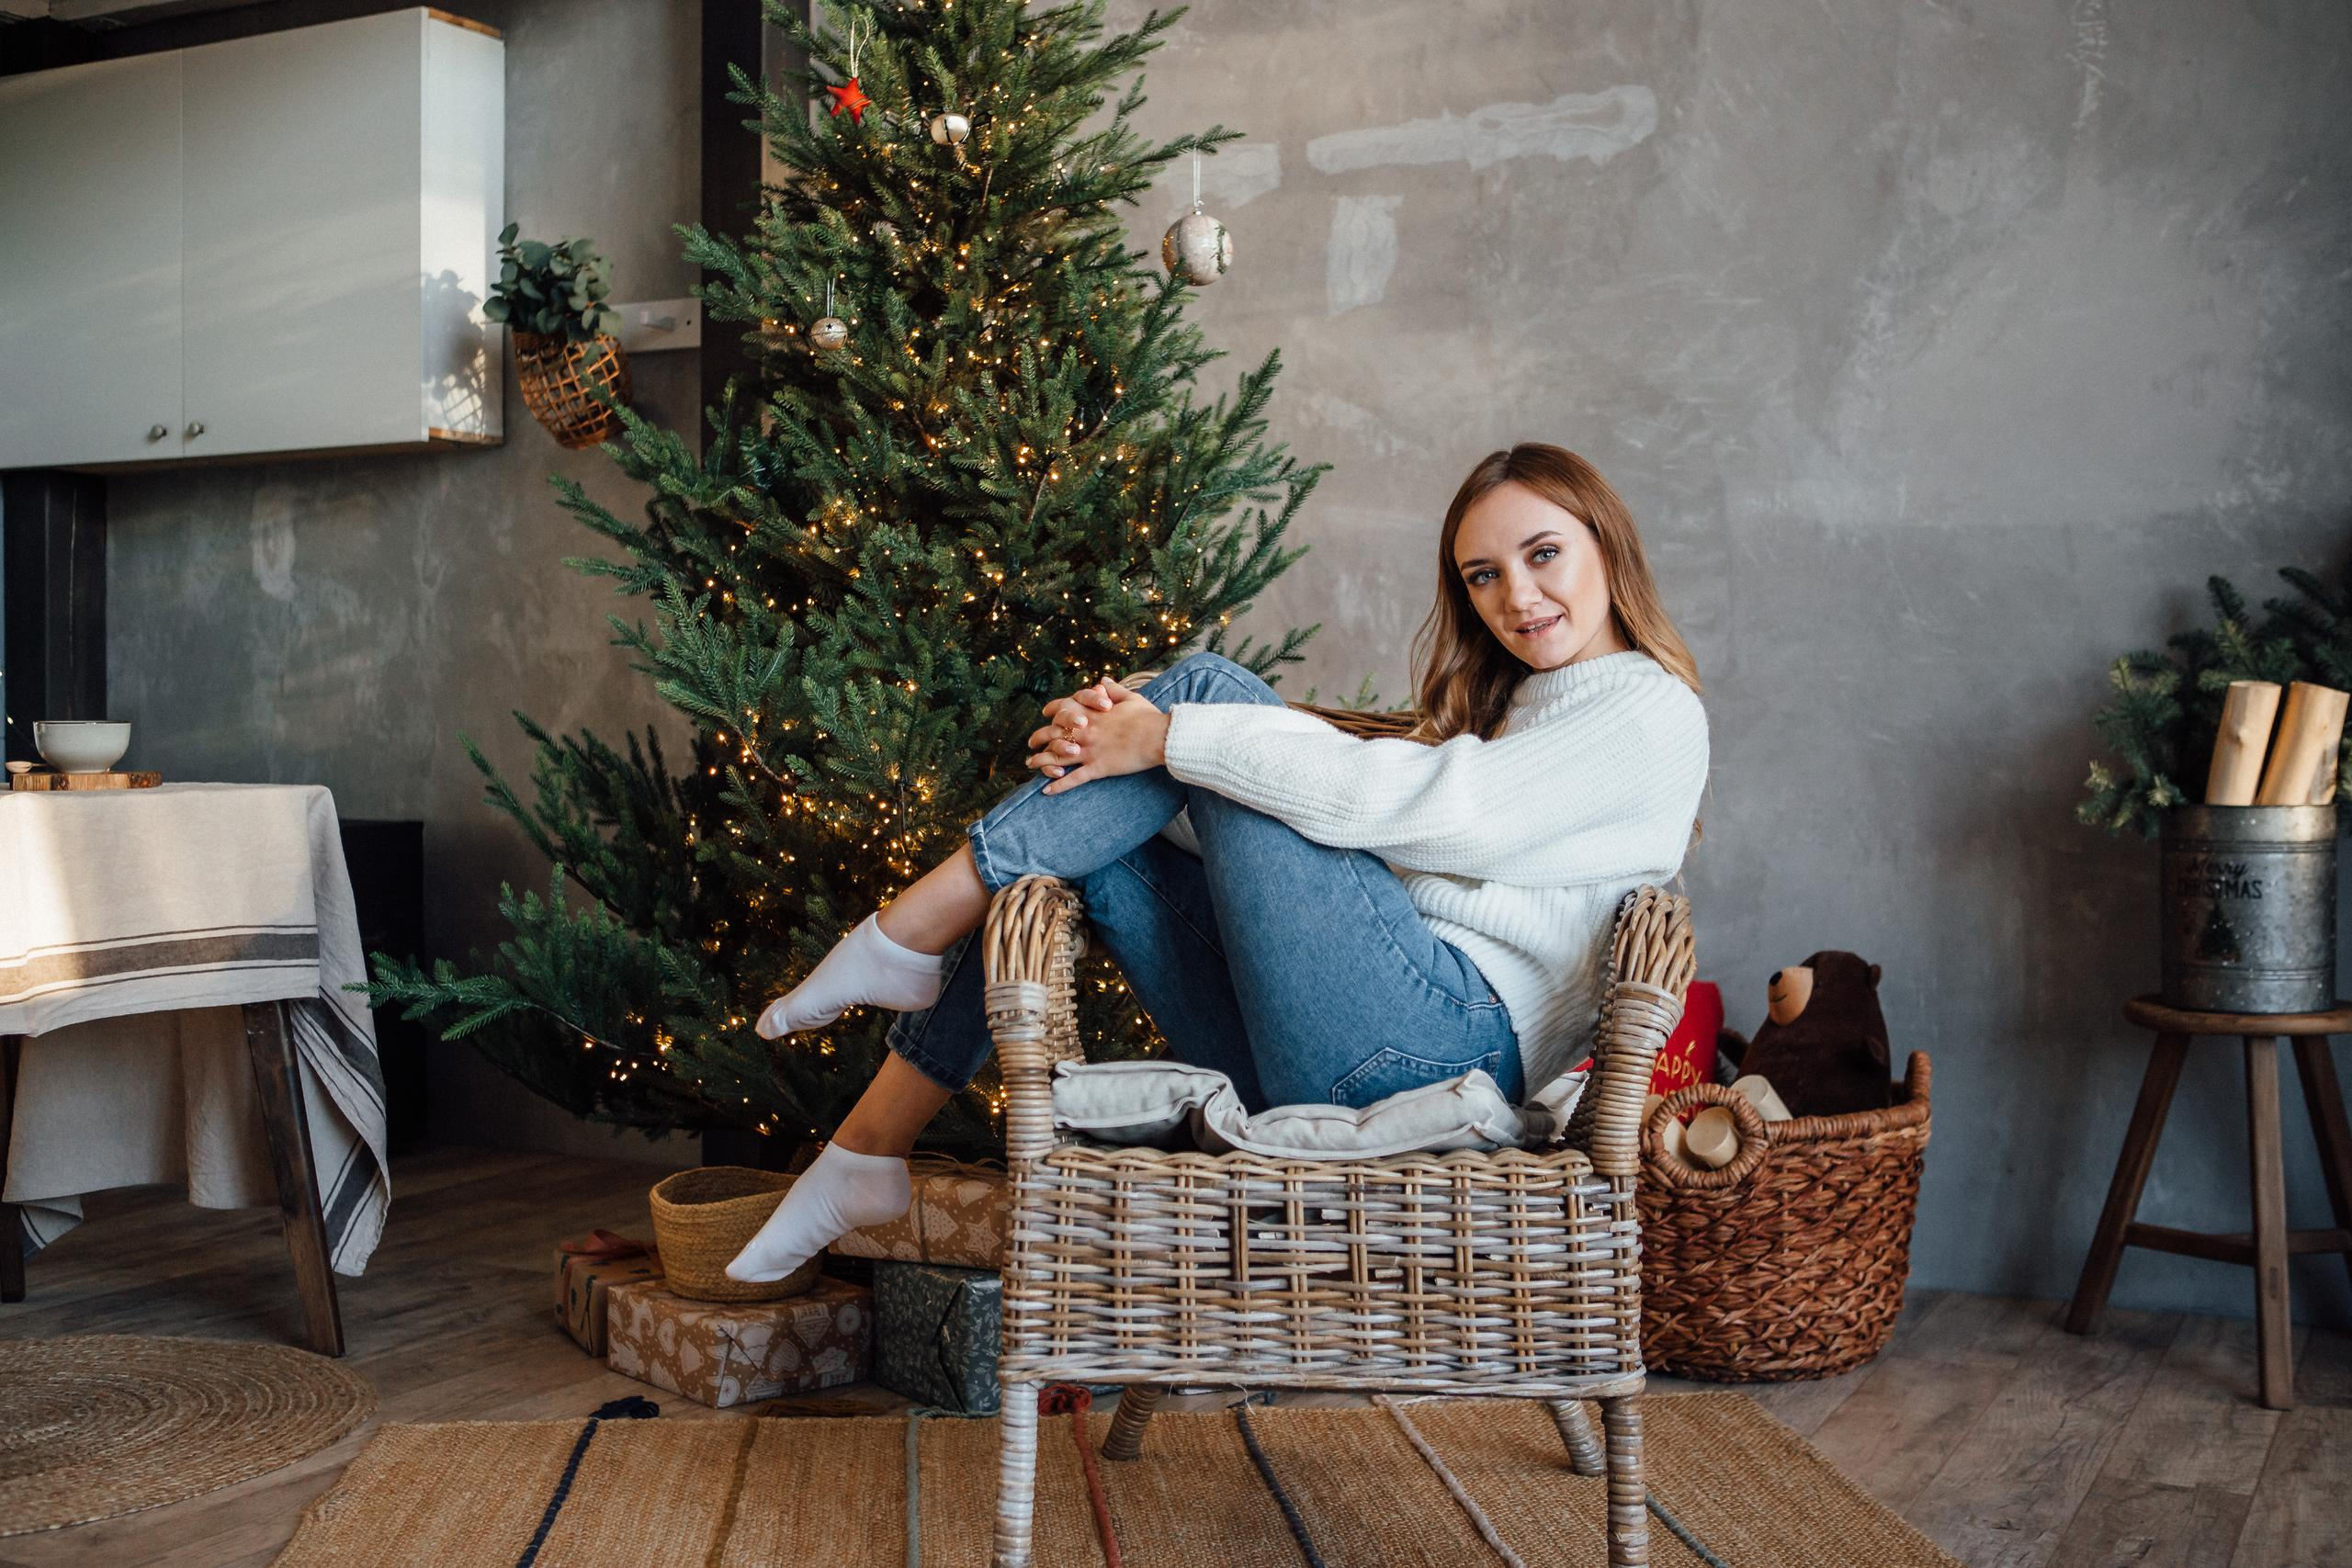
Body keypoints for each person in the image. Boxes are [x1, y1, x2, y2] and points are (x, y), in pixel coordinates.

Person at [723, 442, 1711, 1283]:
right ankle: (870, 1145)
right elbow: (1330, 870)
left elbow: (1436, 811)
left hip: (1444, 1056)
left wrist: (1169, 731)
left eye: (1543, 555)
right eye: (1483, 575)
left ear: (1606, 548)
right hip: (1336, 1044)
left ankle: (910, 926)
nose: (1517, 596)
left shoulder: (1648, 708)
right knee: (1096, 851)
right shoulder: (1519, 710)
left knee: (1204, 686)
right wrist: (1137, 744)